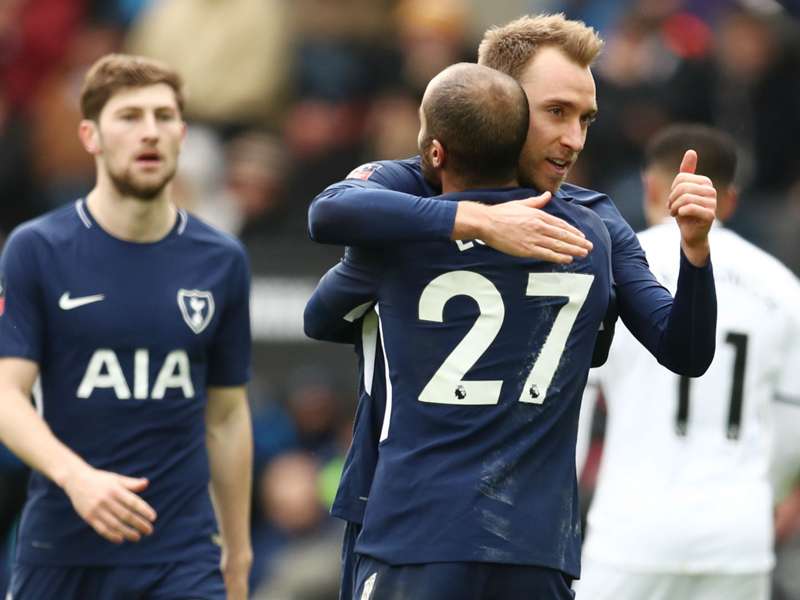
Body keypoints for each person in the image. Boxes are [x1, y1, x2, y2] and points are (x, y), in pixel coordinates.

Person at [306, 13, 717, 597]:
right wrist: (474, 219)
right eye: (556, 112)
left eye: (586, 118)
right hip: (422, 511)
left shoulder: (591, 218)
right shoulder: (419, 189)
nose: (574, 138)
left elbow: (684, 348)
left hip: (432, 530)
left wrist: (696, 253)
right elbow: (327, 214)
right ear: (498, 100)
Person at [306, 60, 618, 599]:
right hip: (536, 541)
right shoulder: (591, 230)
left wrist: (450, 226)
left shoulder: (398, 228)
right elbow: (609, 345)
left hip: (415, 524)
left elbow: (320, 313)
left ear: (436, 151)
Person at [0, 54, 253, 600]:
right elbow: (5, 395)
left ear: (182, 134)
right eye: (130, 116)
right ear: (90, 136)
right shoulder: (36, 249)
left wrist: (238, 549)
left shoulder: (221, 259)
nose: (150, 132)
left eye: (164, 117)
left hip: (181, 557)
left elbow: (228, 414)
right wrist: (77, 478)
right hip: (64, 550)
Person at [574, 124, 800, 600]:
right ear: (730, 200)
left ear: (650, 187)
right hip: (737, 537)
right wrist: (766, 496)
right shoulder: (783, 287)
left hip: (629, 533)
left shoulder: (610, 264)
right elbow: (790, 425)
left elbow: (575, 405)